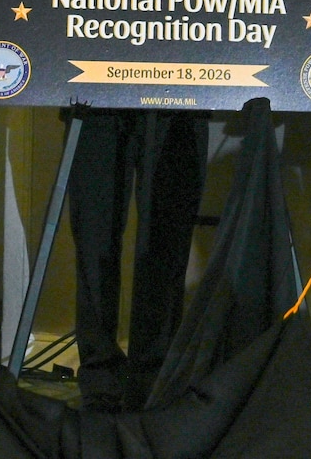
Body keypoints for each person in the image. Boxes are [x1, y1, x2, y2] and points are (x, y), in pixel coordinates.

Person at [64, 107, 209, 411]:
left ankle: (151, 379)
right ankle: (102, 383)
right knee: (94, 241)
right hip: (96, 97)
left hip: (182, 98)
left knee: (166, 244)